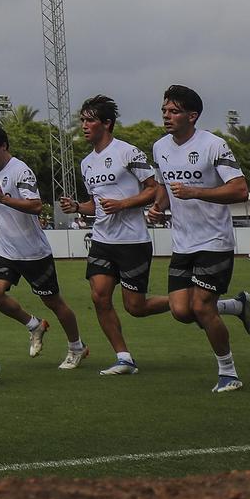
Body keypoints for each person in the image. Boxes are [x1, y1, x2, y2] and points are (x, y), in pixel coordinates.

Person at [148, 85, 250, 393]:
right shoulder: (160, 147)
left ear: (192, 116)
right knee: (181, 310)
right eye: (164, 111)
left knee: (201, 307)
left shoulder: (214, 145)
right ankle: (237, 307)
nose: (166, 116)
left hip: (214, 241)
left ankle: (229, 373)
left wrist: (197, 191)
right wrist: (158, 208)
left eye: (173, 111)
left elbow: (239, 190)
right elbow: (164, 189)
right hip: (183, 243)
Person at [57, 94, 168, 375]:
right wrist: (77, 207)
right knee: (99, 297)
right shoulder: (86, 164)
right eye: (82, 120)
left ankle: (188, 300)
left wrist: (124, 204)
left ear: (106, 123)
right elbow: (95, 204)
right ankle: (124, 358)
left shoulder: (128, 152)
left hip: (133, 241)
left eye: (90, 120)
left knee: (136, 307)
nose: (84, 125)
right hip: (102, 241)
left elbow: (154, 188)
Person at [0, 123, 84, 371]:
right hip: (6, 250)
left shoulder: (21, 171)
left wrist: (4, 200)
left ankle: (76, 347)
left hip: (33, 253)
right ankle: (34, 325)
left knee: (54, 303)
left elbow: (36, 206)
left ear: (4, 146)